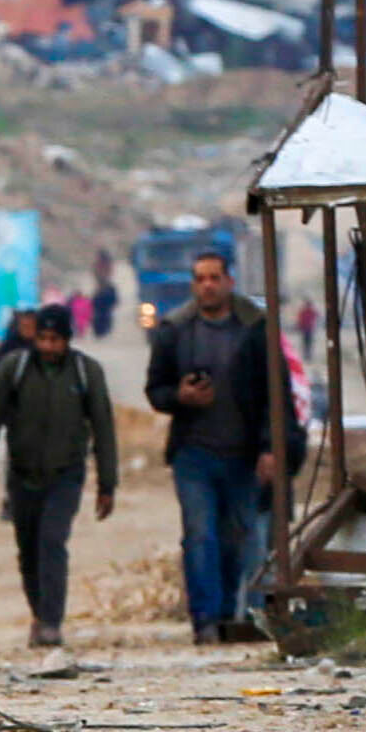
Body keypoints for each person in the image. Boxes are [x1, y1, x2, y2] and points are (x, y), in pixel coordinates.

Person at [143, 247, 298, 644]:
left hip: (244, 454)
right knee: (199, 535)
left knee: (240, 539)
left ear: (229, 281)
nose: (208, 285)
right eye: (200, 279)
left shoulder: (254, 329)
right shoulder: (175, 330)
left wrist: (269, 447)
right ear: (193, 285)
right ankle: (205, 621)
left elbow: (274, 393)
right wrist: (180, 396)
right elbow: (156, 390)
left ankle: (237, 614)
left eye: (215, 277)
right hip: (193, 453)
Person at [0, 306, 119, 648]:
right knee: (28, 549)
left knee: (52, 542)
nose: (49, 346)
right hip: (22, 474)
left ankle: (52, 621)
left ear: (67, 340)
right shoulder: (16, 368)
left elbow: (103, 428)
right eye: (43, 338)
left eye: (55, 339)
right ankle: (40, 614)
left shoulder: (86, 372)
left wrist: (107, 484)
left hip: (66, 474)